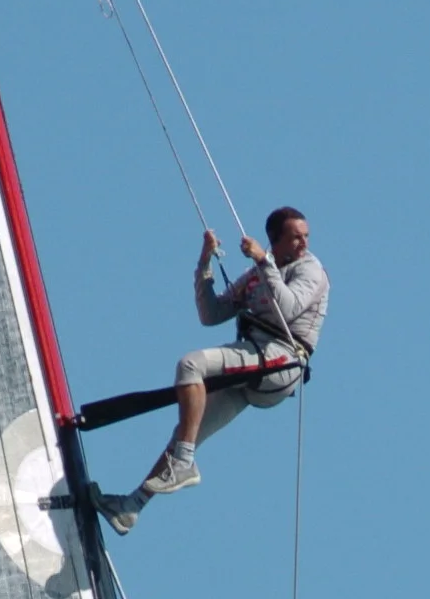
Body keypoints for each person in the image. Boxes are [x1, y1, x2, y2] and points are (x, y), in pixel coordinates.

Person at [97, 206, 326, 534]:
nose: (303, 243)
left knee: (190, 365)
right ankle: (130, 508)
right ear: (276, 241)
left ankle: (184, 462)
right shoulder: (257, 276)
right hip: (252, 366)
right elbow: (212, 313)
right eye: (295, 237)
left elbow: (287, 307)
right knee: (186, 434)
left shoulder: (311, 270)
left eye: (306, 236)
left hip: (282, 360)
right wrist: (205, 264)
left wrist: (263, 262)